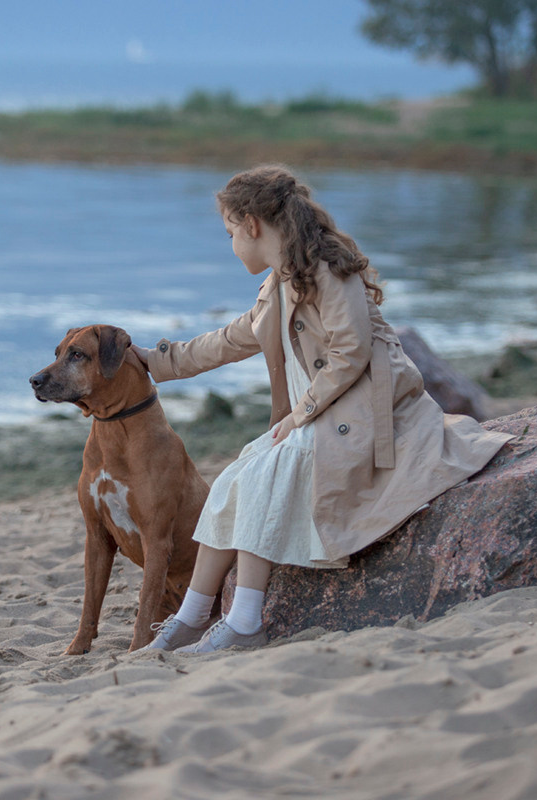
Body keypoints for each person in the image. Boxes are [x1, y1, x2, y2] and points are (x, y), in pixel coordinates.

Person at [130, 165, 513, 653]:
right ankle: (191, 617)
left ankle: (246, 622)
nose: (230, 245)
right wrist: (155, 359)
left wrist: (301, 412)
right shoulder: (277, 285)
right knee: (233, 480)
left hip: (359, 414)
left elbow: (350, 352)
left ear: (251, 225)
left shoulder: (329, 271)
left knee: (268, 472)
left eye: (230, 233)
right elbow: (229, 340)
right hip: (319, 417)